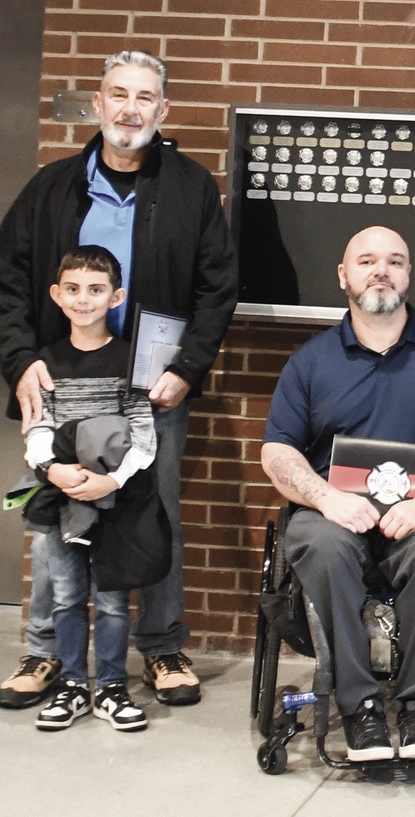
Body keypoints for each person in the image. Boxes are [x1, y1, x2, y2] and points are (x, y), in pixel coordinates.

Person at [0, 50, 237, 710]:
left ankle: (161, 646)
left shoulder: (190, 187)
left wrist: (186, 368)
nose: (131, 108)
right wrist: (20, 360)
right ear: (99, 105)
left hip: (150, 390)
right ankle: (46, 653)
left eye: (145, 98)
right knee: (54, 518)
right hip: (62, 384)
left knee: (151, 514)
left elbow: (218, 288)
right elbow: (9, 283)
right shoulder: (51, 187)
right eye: (119, 95)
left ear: (162, 112)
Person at [261, 226, 415, 762]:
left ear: (409, 276)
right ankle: (361, 708)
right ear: (344, 275)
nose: (381, 270)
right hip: (333, 516)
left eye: (394, 261)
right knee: (322, 547)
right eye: (367, 261)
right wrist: (325, 499)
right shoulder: (311, 360)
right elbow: (277, 452)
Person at [18, 247, 163, 733]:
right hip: (61, 499)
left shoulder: (130, 362)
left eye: (97, 290)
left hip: (116, 501)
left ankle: (113, 687)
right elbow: (38, 425)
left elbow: (144, 434)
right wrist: (52, 469)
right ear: (57, 296)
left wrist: (112, 480)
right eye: (74, 290)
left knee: (112, 599)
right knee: (66, 595)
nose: (85, 300)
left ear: (116, 297)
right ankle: (73, 685)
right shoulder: (45, 362)